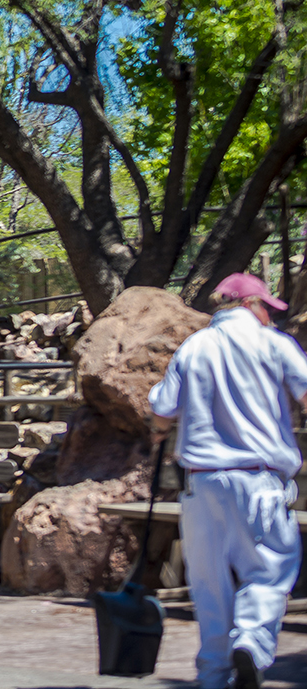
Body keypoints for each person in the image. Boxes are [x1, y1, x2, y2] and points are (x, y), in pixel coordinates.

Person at [149, 273, 307, 689]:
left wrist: (161, 429)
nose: (270, 319)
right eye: (266, 309)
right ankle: (252, 644)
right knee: (270, 570)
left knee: (208, 582)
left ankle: (213, 674)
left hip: (201, 483)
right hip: (259, 481)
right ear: (251, 306)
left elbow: (163, 406)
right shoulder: (274, 345)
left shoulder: (195, 346)